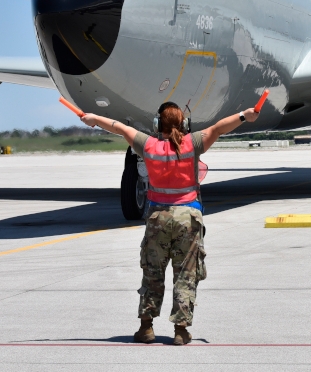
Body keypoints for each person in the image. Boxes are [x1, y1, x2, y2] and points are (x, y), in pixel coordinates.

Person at [79, 102, 260, 345]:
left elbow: (120, 127)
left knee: (152, 273)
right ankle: (181, 330)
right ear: (184, 124)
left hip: (157, 217)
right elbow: (218, 128)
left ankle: (146, 328)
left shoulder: (149, 145)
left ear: (157, 125)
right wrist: (243, 115)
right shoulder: (192, 144)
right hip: (188, 216)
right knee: (185, 273)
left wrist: (94, 118)